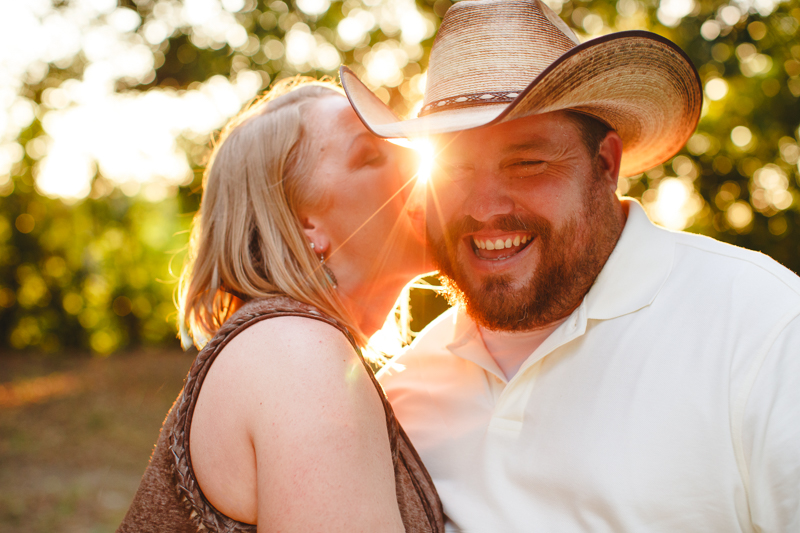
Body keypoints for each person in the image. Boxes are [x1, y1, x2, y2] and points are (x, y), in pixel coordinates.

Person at [341, 0, 800, 531]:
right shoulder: (405, 388)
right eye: (455, 167)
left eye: (527, 162)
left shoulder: (762, 327)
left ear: (606, 164)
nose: (484, 207)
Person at [117, 78, 444, 533]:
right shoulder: (297, 355)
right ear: (305, 225)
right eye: (370, 155)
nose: (416, 156)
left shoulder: (297, 349)